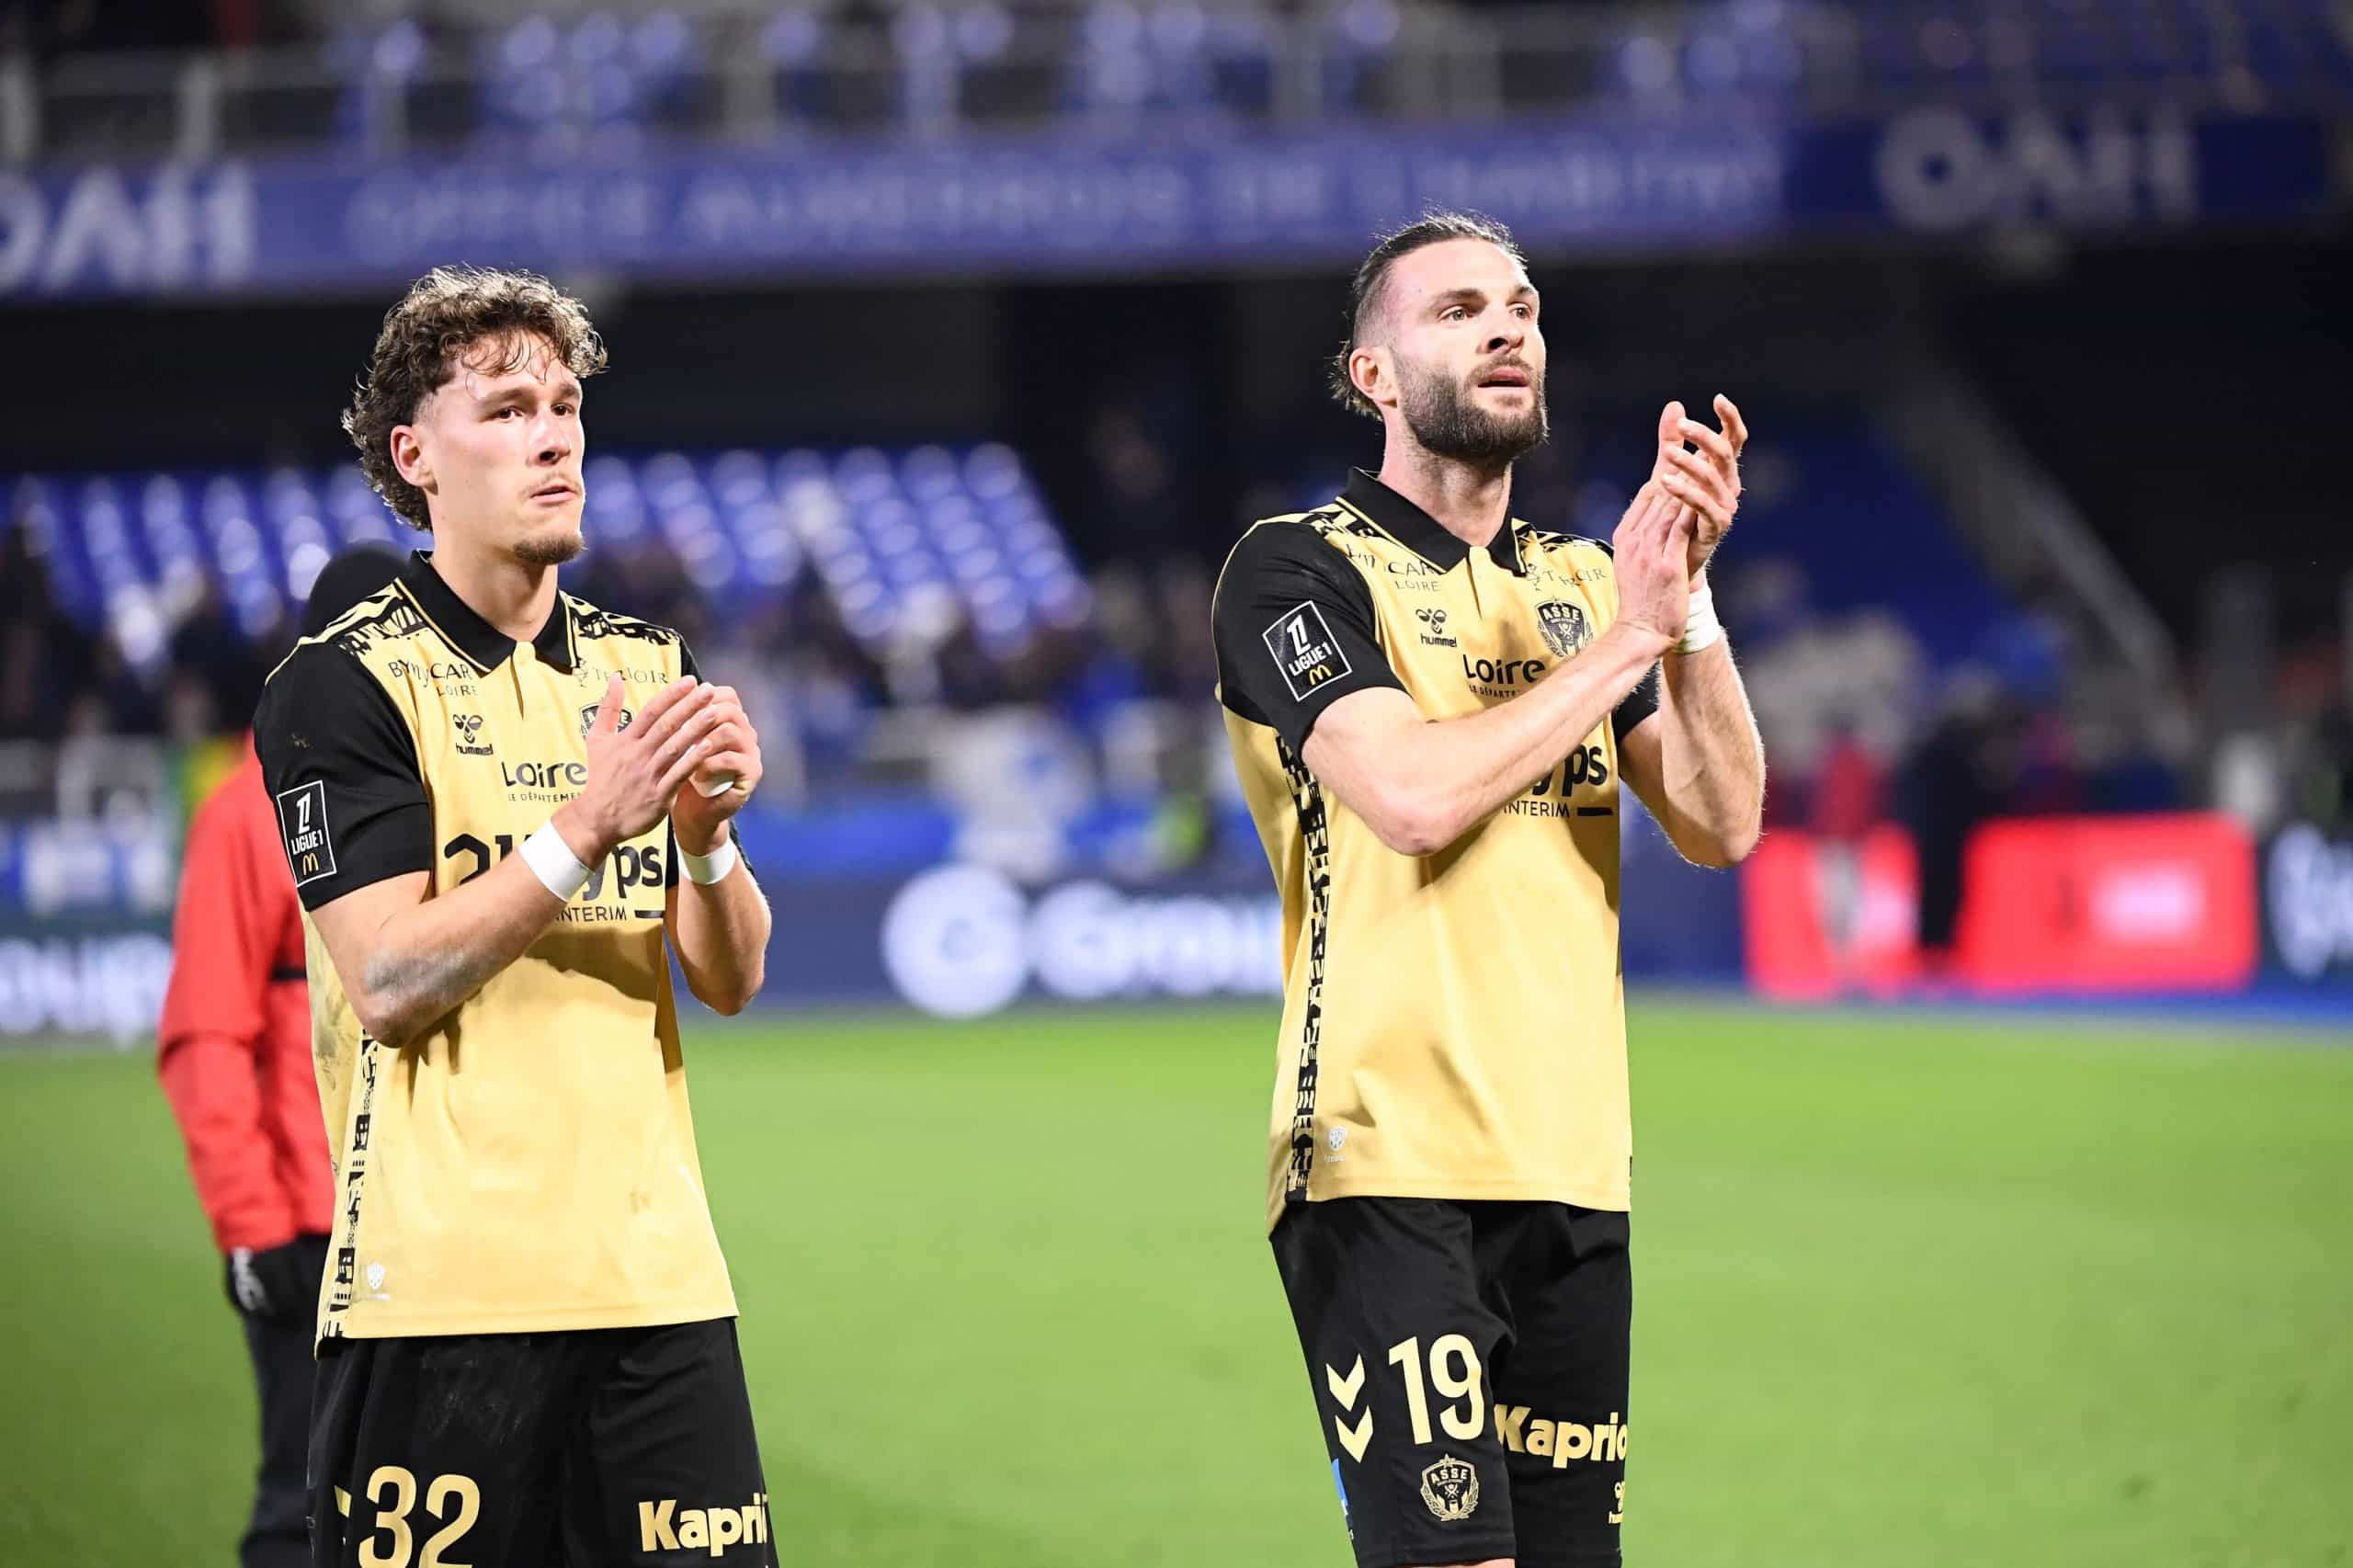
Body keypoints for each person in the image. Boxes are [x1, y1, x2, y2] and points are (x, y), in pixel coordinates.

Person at [1210, 211, 1767, 1568]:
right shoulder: (1297, 567)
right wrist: (1632, 635)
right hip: (1381, 1158)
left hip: (1571, 1166)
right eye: (1459, 310)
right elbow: (1409, 796)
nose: (1509, 326)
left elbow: (1722, 816)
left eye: (1520, 305)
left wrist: (1682, 604)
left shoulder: (1584, 583)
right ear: (1375, 376)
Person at [253, 266, 776, 1565]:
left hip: (660, 1286)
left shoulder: (646, 668)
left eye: (563, 404)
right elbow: (385, 978)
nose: (552, 434)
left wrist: (704, 843)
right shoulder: (344, 684)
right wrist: (588, 825)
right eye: (505, 408)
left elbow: (729, 978)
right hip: (439, 1300)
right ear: (414, 456)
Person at [158, 545, 404, 1568]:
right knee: (301, 1504)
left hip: (437, 1216)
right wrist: (250, 1226)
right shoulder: (247, 807)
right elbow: (207, 1032)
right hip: (311, 1225)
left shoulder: (428, 784)